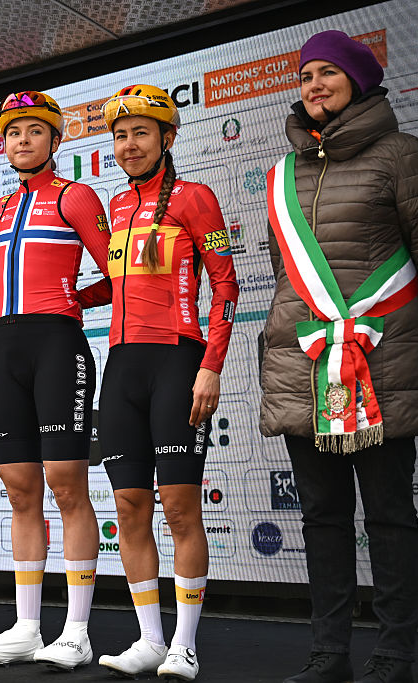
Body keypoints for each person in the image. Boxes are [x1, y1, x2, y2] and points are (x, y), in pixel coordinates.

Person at [259, 31, 418, 683]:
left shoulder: (401, 155)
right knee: (322, 519)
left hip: (379, 367)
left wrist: (400, 347)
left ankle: (395, 652)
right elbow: (284, 273)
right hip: (301, 370)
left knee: (391, 516)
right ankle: (329, 652)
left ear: (361, 79)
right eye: (305, 74)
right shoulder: (283, 173)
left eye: (328, 72)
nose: (313, 84)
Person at [91, 85, 238, 681]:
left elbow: (227, 289)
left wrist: (210, 366)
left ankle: (185, 644)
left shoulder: (196, 198)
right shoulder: (115, 207)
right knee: (129, 505)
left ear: (168, 137)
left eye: (142, 133)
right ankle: (150, 639)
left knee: (179, 507)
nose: (129, 145)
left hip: (177, 360)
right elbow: (114, 283)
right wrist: (53, 303)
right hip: (121, 366)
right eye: (121, 136)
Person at [0, 91, 111, 671]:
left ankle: (76, 630)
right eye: (13, 132)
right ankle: (28, 626)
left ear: (56, 140)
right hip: (7, 347)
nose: (22, 140)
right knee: (20, 490)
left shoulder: (76, 195)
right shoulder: (1, 207)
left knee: (67, 486)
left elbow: (117, 266)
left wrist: (76, 298)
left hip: (57, 344)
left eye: (34, 131)